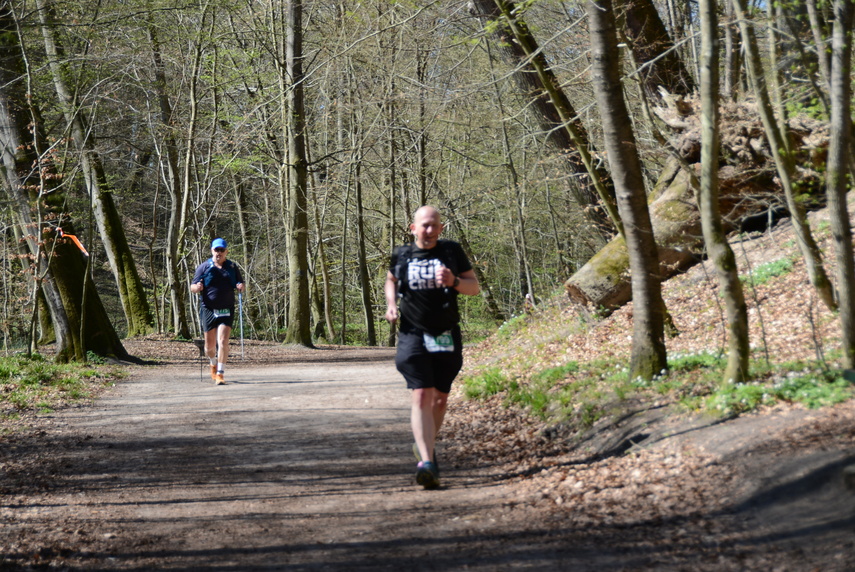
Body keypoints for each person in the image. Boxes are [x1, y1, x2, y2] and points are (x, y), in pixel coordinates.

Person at [385, 206, 480, 489]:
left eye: (433, 226)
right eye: (423, 225)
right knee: (422, 394)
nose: (428, 230)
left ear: (440, 228)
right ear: (412, 228)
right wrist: (391, 305)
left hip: (446, 334)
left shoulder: (451, 252)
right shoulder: (401, 254)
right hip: (412, 333)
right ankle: (427, 462)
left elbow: (473, 287)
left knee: (440, 399)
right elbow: (391, 279)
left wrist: (455, 282)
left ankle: (425, 445)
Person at [190, 238, 245, 385]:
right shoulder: (204, 267)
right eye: (216, 250)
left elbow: (241, 284)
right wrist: (198, 288)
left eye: (222, 250)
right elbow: (193, 287)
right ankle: (213, 363)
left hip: (227, 309)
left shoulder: (232, 267)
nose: (219, 253)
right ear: (212, 251)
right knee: (209, 347)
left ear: (226, 251)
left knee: (223, 341)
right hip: (208, 309)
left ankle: (220, 373)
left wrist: (241, 287)